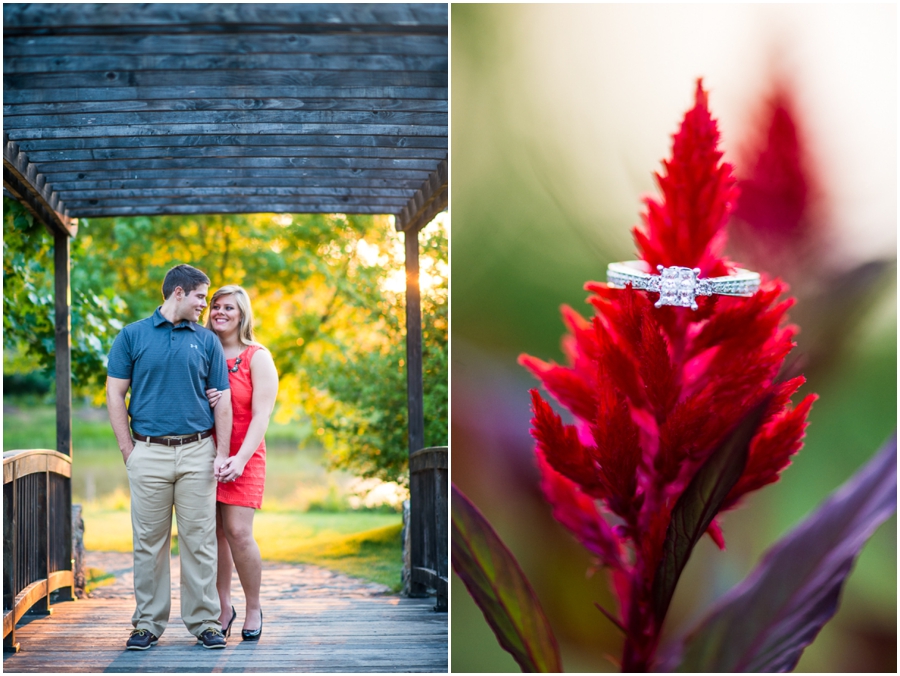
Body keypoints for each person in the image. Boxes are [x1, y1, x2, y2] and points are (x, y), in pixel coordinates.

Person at [106, 264, 233, 651]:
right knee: (149, 543)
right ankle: (147, 624)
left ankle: (205, 622)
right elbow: (115, 395)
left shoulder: (207, 341)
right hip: (148, 452)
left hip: (198, 451)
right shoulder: (132, 336)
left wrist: (222, 453)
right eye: (200, 296)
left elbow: (222, 401)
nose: (204, 305)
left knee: (200, 542)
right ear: (178, 292)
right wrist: (129, 450)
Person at [204, 285, 279, 641]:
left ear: (242, 314)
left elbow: (262, 416)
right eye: (215, 306)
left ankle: (253, 606)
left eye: (228, 307)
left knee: (237, 531)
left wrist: (239, 458)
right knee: (214, 534)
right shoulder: (204, 351)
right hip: (204, 453)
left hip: (244, 454)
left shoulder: (257, 356)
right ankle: (223, 606)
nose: (219, 311)